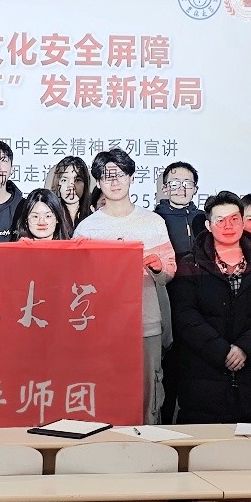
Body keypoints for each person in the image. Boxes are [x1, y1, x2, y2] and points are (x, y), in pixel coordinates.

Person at [74, 148, 176, 424]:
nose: (114, 181)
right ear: (98, 182)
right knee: (105, 394)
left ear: (131, 177)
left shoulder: (153, 222)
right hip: (102, 328)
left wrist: (157, 268)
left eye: (120, 174)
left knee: (148, 395)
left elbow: (169, 270)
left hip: (146, 323)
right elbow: (77, 280)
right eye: (107, 176)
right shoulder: (87, 229)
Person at [171, 190, 251, 424]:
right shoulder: (190, 264)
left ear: (242, 222)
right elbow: (185, 316)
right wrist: (221, 351)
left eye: (234, 219)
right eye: (220, 220)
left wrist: (245, 348)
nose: (228, 226)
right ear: (208, 225)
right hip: (204, 375)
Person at [156, 160, 207, 424]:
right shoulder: (155, 219)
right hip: (166, 303)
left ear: (196, 188)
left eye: (187, 183)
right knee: (168, 371)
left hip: (201, 305)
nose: (181, 188)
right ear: (165, 188)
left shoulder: (204, 219)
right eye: (174, 183)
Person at [48, 156, 92, 229]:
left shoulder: (93, 218)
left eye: (77, 180)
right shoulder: (50, 217)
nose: (71, 186)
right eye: (64, 180)